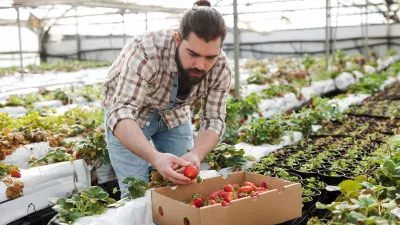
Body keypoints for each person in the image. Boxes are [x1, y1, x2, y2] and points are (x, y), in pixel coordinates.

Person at [102, 0, 231, 197]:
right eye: (193, 54)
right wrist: (155, 158)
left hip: (174, 112)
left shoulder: (221, 67)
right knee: (137, 191)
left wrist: (196, 154)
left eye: (210, 57)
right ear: (177, 39)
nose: (200, 65)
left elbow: (214, 119)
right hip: (132, 115)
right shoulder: (146, 50)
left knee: (185, 186)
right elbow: (121, 112)